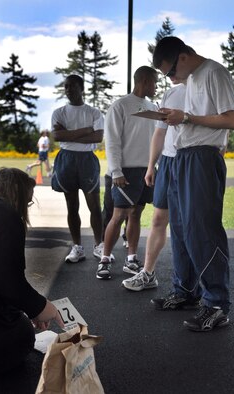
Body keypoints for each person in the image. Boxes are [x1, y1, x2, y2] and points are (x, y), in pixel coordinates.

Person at [151, 36, 234, 331]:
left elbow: (231, 120)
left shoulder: (215, 72)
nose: (170, 78)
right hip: (181, 157)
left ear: (184, 56)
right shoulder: (189, 81)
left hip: (201, 158)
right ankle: (186, 291)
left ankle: (217, 305)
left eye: (170, 71)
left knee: (202, 229)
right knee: (180, 227)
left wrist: (186, 117)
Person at [0, 168, 64, 379]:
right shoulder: (7, 216)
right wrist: (41, 307)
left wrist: (32, 309)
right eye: (27, 201)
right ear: (17, 194)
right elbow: (10, 285)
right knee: (22, 333)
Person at [122, 79, 186, 291]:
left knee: (187, 224)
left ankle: (191, 282)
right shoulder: (170, 93)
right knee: (158, 218)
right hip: (167, 162)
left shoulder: (205, 90)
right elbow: (160, 132)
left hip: (191, 160)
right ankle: (148, 274)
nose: (166, 74)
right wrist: (151, 166)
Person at [96, 66, 159, 280]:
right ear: (143, 80)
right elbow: (112, 141)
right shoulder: (120, 106)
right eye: (154, 82)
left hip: (147, 170)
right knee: (118, 215)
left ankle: (131, 259)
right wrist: (116, 171)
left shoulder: (154, 107)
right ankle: (105, 259)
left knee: (136, 213)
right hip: (124, 172)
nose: (156, 86)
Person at [51, 74, 104, 263]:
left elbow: (98, 138)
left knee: (94, 206)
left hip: (87, 160)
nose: (68, 90)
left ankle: (99, 246)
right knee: (72, 206)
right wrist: (86, 130)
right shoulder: (59, 112)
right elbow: (57, 136)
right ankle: (77, 247)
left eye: (72, 86)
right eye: (65, 87)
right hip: (66, 160)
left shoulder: (94, 112)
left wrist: (69, 135)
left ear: (82, 89)